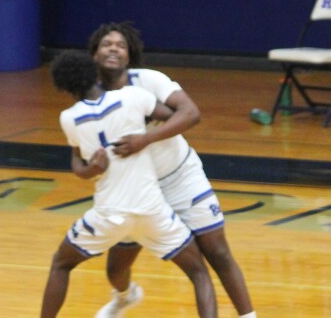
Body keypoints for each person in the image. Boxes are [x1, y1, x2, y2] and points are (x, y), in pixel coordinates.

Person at [85, 22, 256, 318]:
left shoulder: (149, 80)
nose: (113, 48)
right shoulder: (89, 97)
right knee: (116, 268)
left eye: (121, 45)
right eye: (106, 44)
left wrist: (145, 139)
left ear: (130, 56)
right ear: (94, 54)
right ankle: (125, 296)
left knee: (216, 252)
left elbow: (191, 113)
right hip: (136, 189)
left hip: (180, 177)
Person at [41, 50, 218, 318]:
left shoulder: (68, 119)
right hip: (153, 211)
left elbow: (78, 163)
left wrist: (92, 169)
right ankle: (124, 297)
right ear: (94, 73)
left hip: (109, 215)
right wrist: (142, 133)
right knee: (199, 272)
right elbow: (173, 115)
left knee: (61, 264)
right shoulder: (133, 96)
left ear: (63, 86)